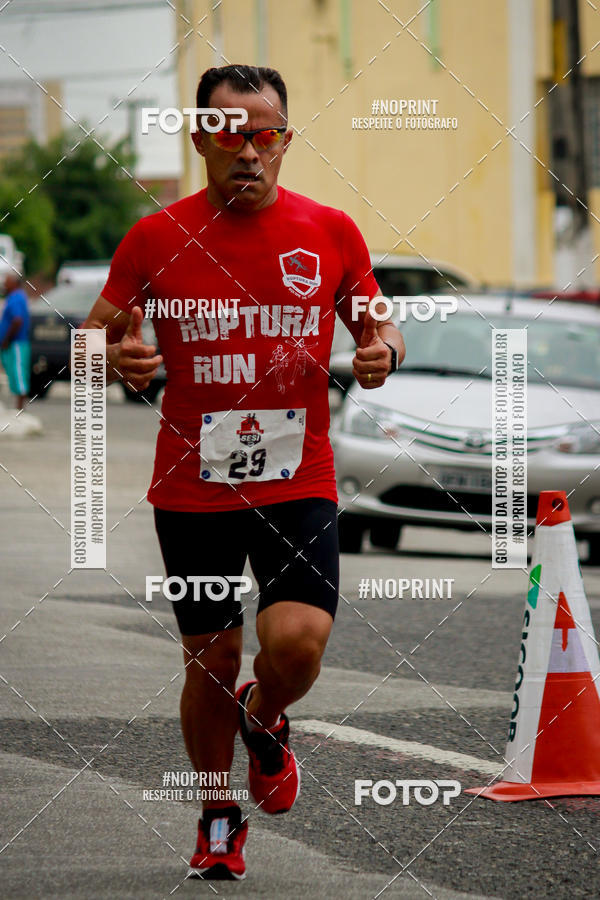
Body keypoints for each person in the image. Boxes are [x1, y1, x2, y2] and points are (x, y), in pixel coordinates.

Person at [83, 64, 405, 881]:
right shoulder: (155, 238)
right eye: (230, 135)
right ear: (201, 140)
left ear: (286, 142)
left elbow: (381, 325)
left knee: (294, 644)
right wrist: (120, 357)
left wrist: (382, 353)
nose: (249, 152)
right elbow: (90, 344)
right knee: (211, 659)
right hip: (193, 493)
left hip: (300, 479)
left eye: (266, 136)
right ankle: (217, 814)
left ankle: (267, 722)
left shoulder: (330, 231)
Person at [0, 272, 31, 411]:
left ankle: (20, 409)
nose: (4, 284)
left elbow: (17, 320)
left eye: (6, 281)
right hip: (12, 343)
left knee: (19, 373)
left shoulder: (17, 298)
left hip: (17, 343)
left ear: (14, 283)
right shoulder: (13, 297)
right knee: (13, 372)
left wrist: (7, 339)